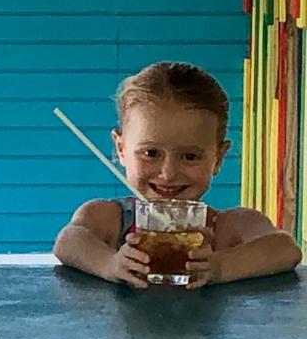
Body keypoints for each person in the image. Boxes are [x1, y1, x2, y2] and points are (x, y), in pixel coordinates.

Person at [54, 61, 302, 289]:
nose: (168, 173)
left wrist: (220, 266)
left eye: (190, 156)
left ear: (218, 158)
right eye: (151, 153)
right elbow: (68, 241)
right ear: (121, 149)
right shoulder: (110, 218)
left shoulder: (229, 227)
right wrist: (110, 263)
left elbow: (285, 249)